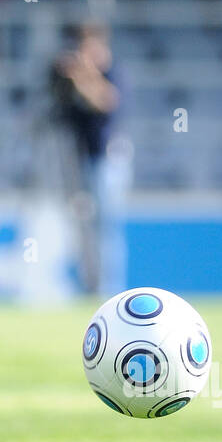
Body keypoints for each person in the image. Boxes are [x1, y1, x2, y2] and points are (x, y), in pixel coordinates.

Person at [50, 23, 130, 300]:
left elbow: (106, 101)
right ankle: (89, 283)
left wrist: (83, 76)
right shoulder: (71, 77)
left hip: (105, 157)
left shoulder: (111, 71)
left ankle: (108, 288)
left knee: (106, 225)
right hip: (80, 158)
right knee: (83, 225)